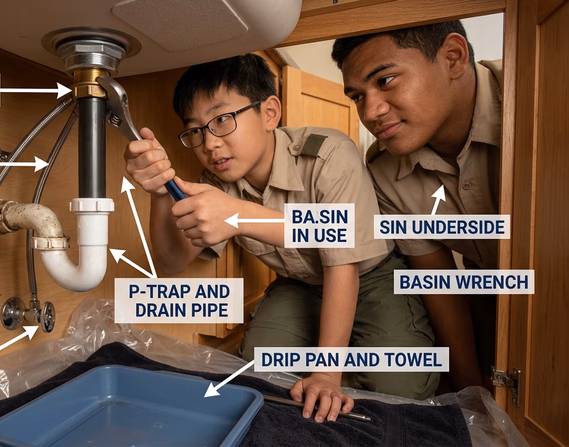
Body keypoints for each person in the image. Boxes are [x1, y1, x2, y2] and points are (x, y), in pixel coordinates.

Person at [124, 54, 438, 422]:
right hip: (298, 283)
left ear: (270, 112)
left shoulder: (329, 153)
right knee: (258, 367)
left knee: (402, 386)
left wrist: (326, 372)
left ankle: (349, 356)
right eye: (195, 130)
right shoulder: (216, 183)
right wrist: (161, 193)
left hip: (370, 276)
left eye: (222, 120)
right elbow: (171, 262)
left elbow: (340, 255)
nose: (209, 143)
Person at [332, 21, 501, 392]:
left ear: (453, 57)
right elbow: (437, 280)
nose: (371, 112)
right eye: (357, 96)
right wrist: (469, 386)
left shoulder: (542, 99)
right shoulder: (383, 169)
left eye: (386, 81)